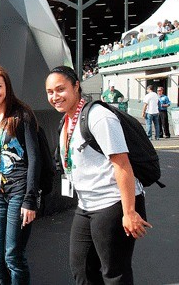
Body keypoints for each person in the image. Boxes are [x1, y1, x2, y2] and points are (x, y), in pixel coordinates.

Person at [45, 65, 152, 284]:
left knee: (114, 273)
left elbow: (122, 164)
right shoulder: (66, 121)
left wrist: (129, 212)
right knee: (82, 269)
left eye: (60, 89)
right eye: (50, 92)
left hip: (113, 203)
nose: (55, 96)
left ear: (76, 86)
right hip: (87, 205)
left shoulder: (99, 117)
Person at [0, 65, 41, 285]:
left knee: (13, 256)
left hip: (19, 192)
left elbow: (35, 159)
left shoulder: (22, 115)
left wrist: (30, 199)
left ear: (7, 87)